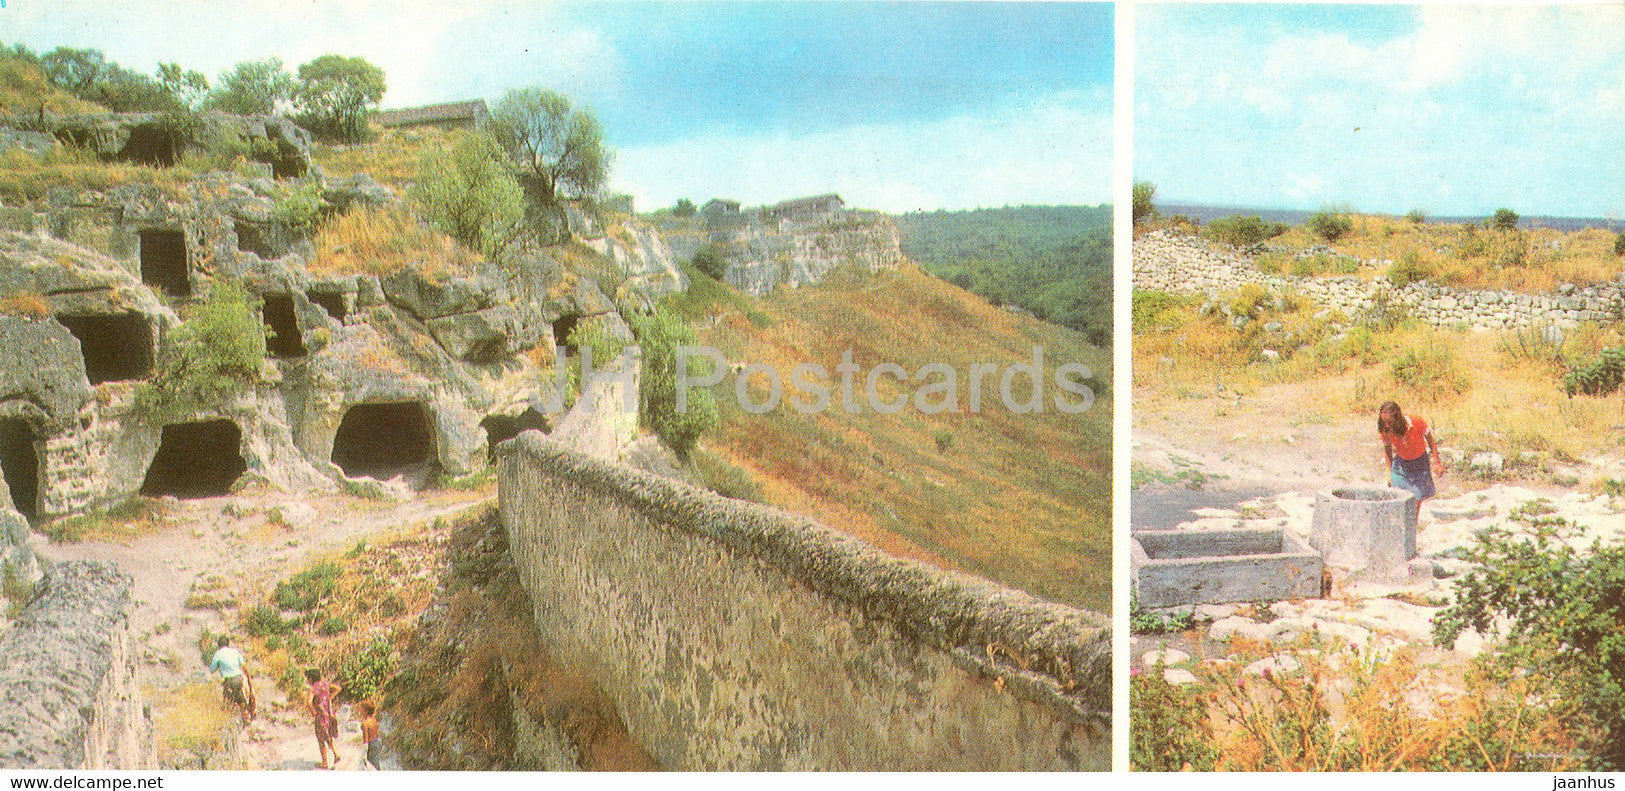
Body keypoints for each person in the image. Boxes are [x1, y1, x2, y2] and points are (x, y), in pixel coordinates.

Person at [1377, 400, 1444, 523]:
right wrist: (1389, 474)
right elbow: (1387, 451)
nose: (1386, 425)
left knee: (1416, 501)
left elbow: (1431, 441)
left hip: (1420, 465)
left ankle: (1411, 530)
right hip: (1401, 466)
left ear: (1397, 418)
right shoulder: (1385, 429)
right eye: (1383, 421)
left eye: (1389, 422)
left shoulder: (1416, 422)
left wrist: (1437, 463)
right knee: (1398, 498)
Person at [208, 636, 255, 721]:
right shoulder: (235, 652)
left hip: (228, 681)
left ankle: (230, 720)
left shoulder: (218, 654)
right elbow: (244, 667)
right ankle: (245, 716)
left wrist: (219, 665)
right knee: (240, 697)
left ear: (219, 645)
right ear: (228, 644)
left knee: (227, 700)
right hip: (239, 678)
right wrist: (249, 680)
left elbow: (212, 669)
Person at [305, 668, 343, 770]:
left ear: (311, 678)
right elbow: (338, 688)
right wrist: (329, 697)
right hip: (329, 713)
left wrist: (314, 712)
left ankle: (325, 763)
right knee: (328, 735)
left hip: (321, 716)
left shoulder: (312, 689)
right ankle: (335, 754)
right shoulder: (325, 685)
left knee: (321, 739)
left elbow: (308, 702)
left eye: (307, 678)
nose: (307, 680)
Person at [357, 701, 383, 771]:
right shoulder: (374, 720)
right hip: (378, 741)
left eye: (361, 709)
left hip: (371, 744)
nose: (360, 711)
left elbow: (366, 740)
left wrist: (364, 753)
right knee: (376, 764)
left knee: (369, 765)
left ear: (366, 711)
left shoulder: (365, 723)